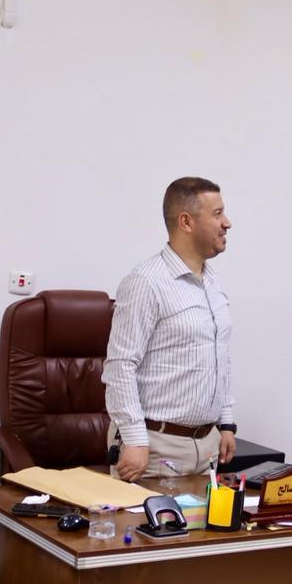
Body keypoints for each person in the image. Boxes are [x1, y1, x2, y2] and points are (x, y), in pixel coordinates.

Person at [103, 177, 237, 482]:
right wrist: (134, 439)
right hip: (154, 448)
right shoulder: (146, 282)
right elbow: (120, 365)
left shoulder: (213, 281)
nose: (227, 223)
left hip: (207, 446)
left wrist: (227, 424)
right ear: (186, 222)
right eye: (217, 214)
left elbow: (220, 358)